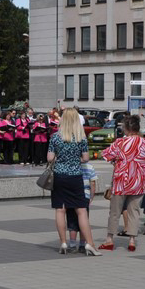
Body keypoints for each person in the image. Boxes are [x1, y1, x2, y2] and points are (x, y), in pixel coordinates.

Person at [48, 107, 100, 255]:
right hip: (75, 176)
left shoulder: (55, 137)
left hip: (59, 176)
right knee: (81, 210)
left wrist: (60, 159)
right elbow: (86, 158)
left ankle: (63, 243)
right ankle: (89, 244)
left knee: (60, 210)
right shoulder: (81, 137)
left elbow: (50, 158)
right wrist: (74, 160)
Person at [99, 115, 145, 251]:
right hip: (138, 181)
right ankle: (132, 240)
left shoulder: (120, 142)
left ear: (126, 128)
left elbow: (105, 155)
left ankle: (109, 239)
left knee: (115, 211)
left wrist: (116, 160)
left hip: (122, 181)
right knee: (134, 211)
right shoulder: (144, 142)